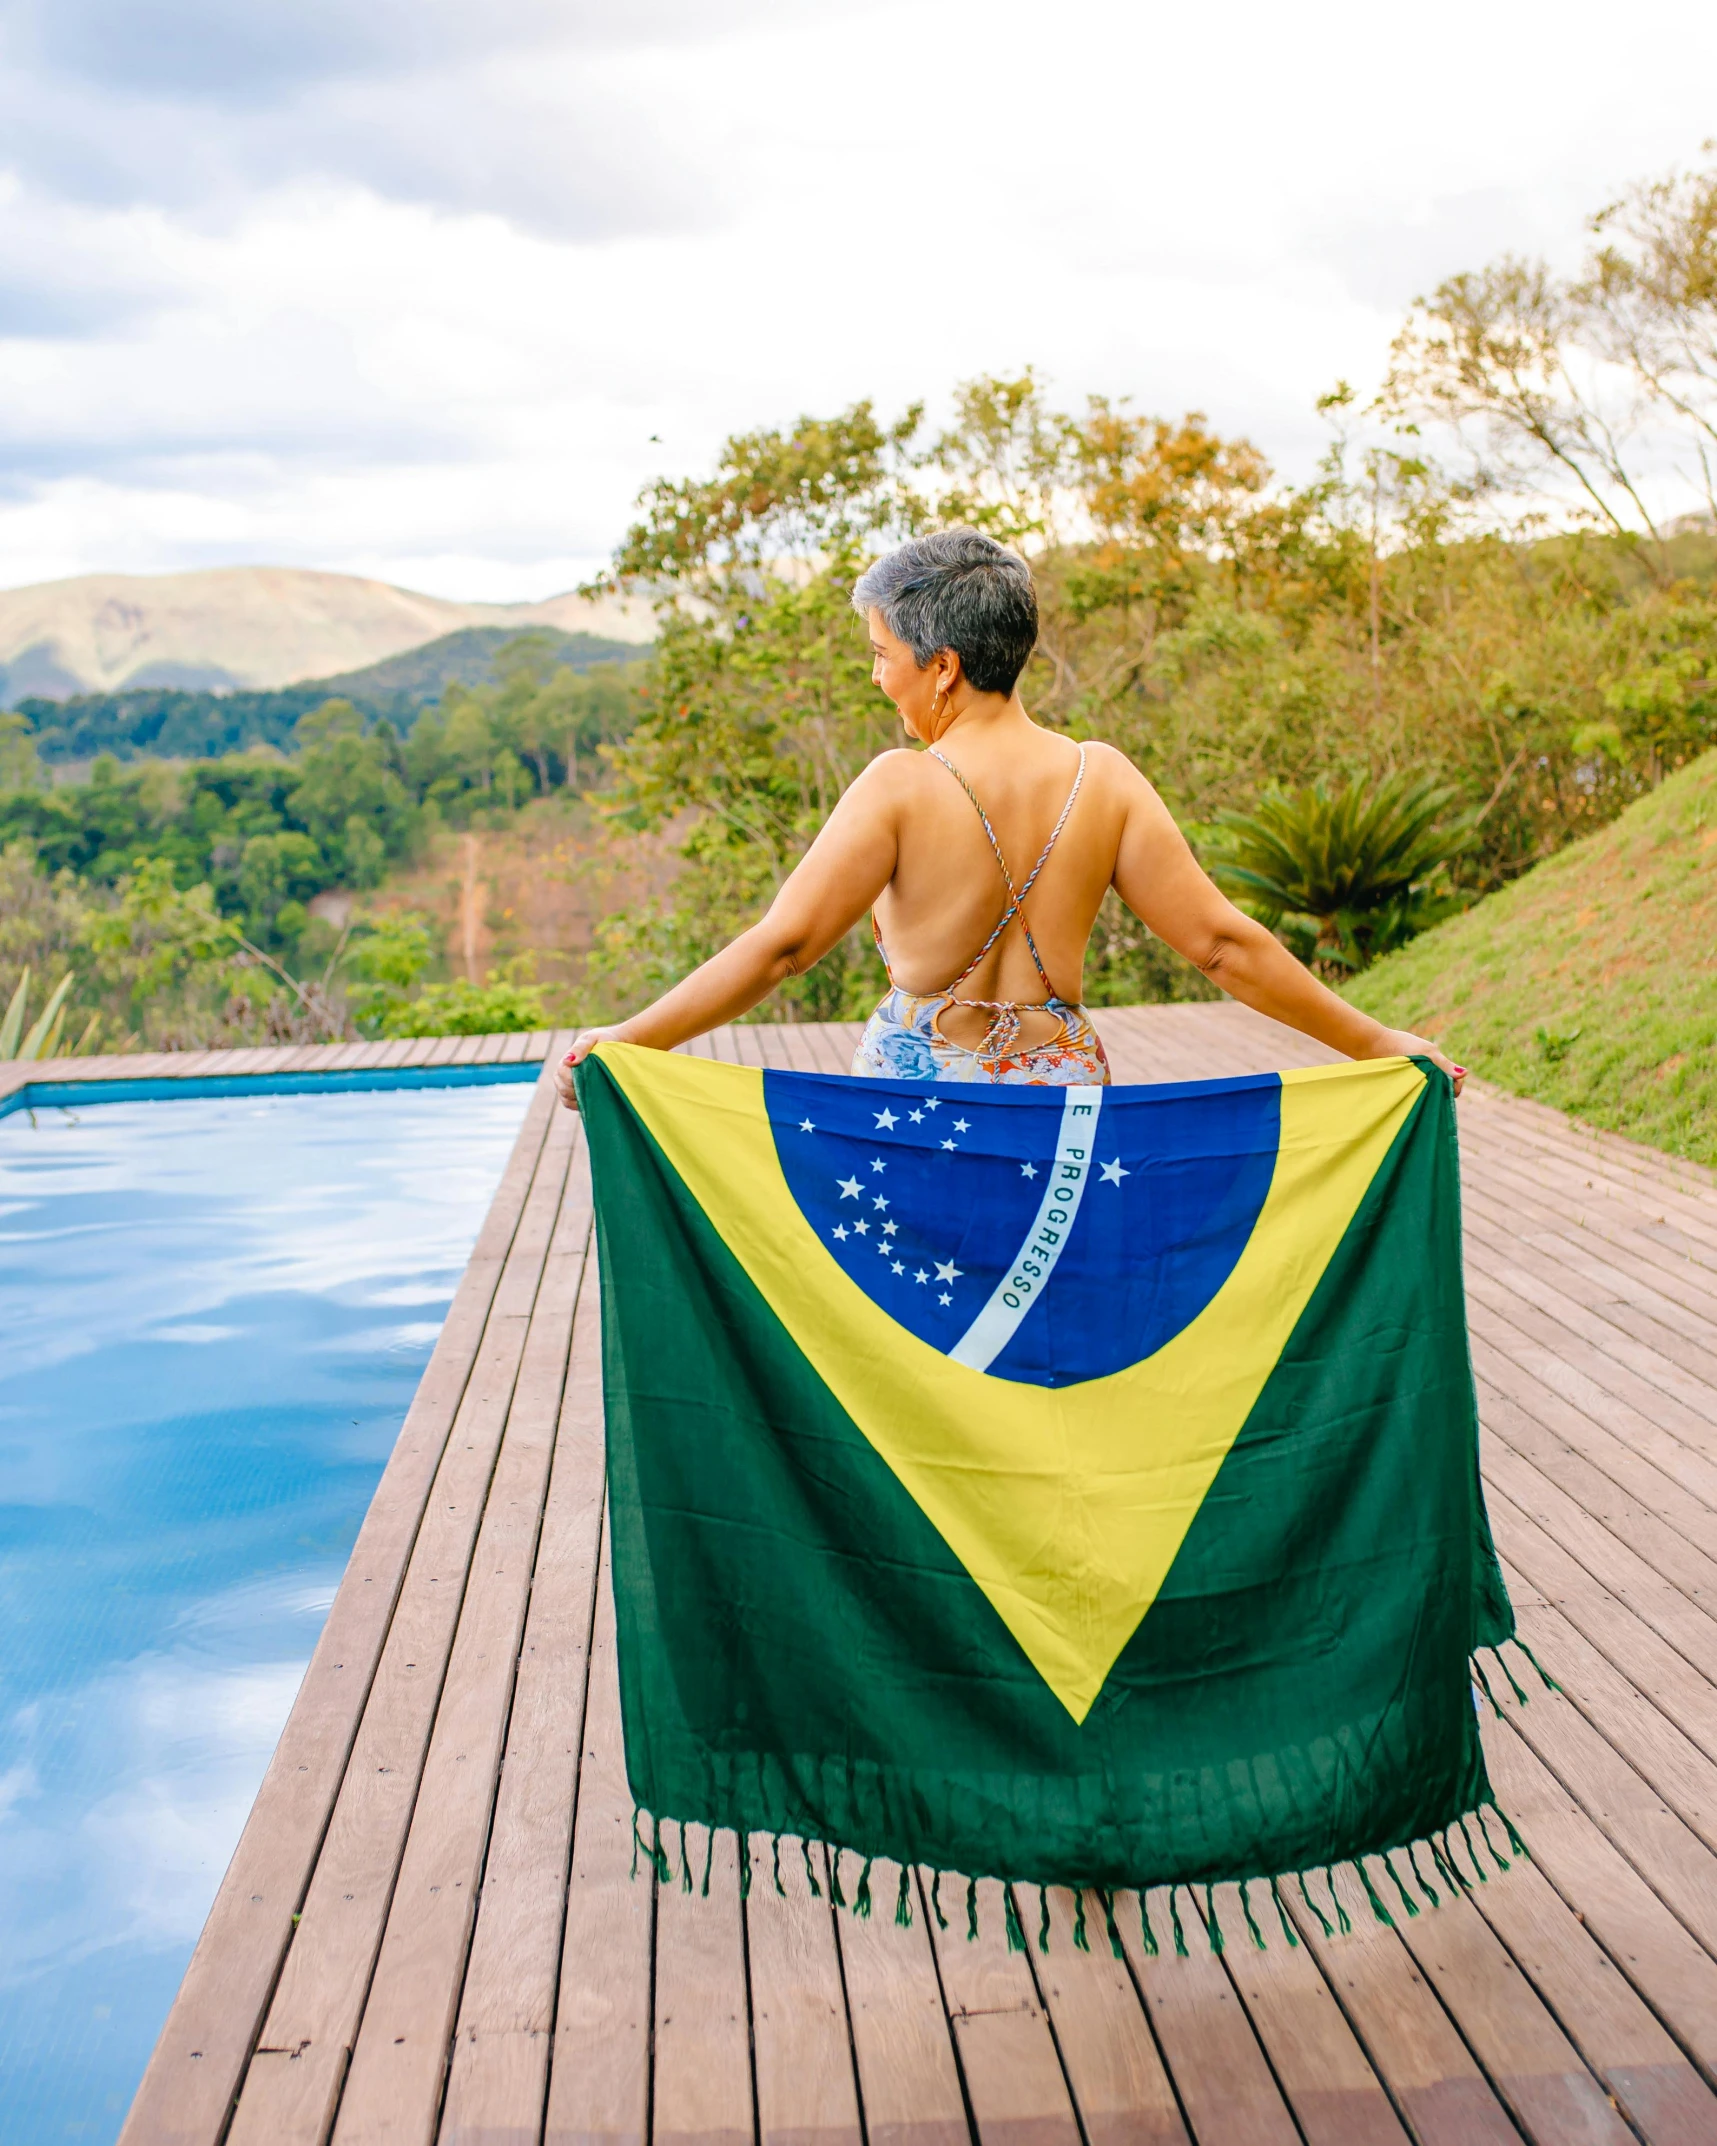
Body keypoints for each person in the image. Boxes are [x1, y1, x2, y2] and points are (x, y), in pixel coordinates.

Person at [554, 529, 1463, 1101]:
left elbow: (784, 948)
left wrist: (627, 1040)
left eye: (881, 654)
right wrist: (1376, 1043)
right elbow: (1222, 946)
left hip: (921, 1099)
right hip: (1060, 1094)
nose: (877, 677)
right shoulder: (1102, 778)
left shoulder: (898, 786)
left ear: (940, 664)